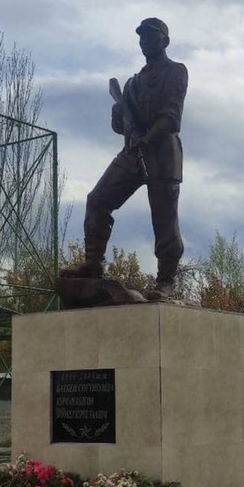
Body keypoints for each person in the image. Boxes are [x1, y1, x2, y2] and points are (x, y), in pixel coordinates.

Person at [61, 17, 188, 301]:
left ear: (165, 41)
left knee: (164, 219)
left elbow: (171, 117)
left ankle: (165, 282)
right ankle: (93, 264)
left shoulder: (176, 71)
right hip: (132, 153)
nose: (145, 41)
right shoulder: (131, 84)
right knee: (97, 199)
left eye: (151, 36)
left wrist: (147, 138)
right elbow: (121, 128)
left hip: (162, 153)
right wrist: (118, 116)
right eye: (142, 36)